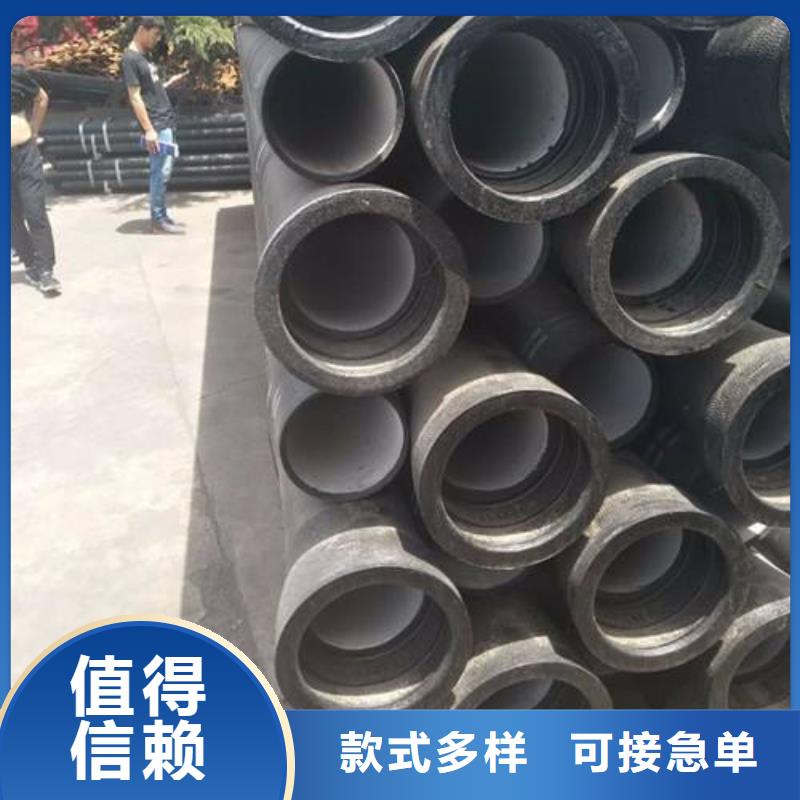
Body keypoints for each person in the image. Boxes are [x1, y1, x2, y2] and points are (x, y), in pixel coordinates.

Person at [121, 17, 187, 234]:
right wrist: (149, 130)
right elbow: (135, 97)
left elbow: (149, 90)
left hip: (164, 118)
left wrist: (168, 84)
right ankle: (158, 220)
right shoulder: (130, 59)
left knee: (164, 170)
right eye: (155, 34)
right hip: (156, 123)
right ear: (142, 29)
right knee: (160, 172)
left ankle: (162, 216)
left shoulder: (144, 57)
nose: (157, 39)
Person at [11, 51, 61, 295]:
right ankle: (31, 263)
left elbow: (41, 98)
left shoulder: (15, 75)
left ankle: (46, 270)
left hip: (24, 154)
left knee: (34, 211)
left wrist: (34, 131)